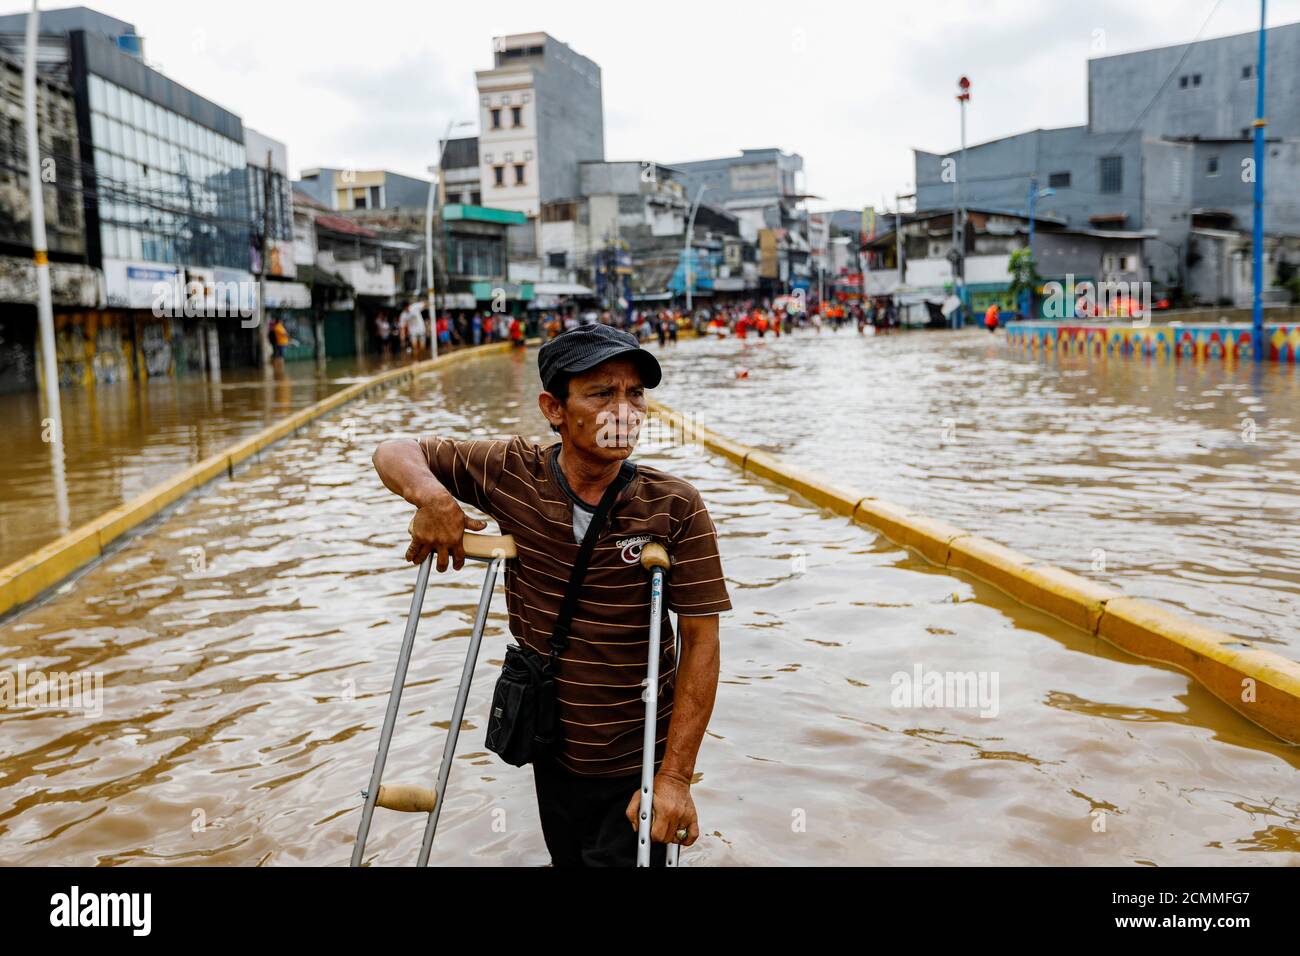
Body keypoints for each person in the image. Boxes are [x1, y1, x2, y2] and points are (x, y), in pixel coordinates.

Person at [371, 324, 731, 867]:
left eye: (635, 394)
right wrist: (433, 500)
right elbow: (395, 449)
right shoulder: (513, 472)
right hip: (552, 748)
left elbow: (702, 641)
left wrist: (675, 777)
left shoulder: (675, 506)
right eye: (602, 393)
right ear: (554, 408)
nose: (625, 410)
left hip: (638, 762)